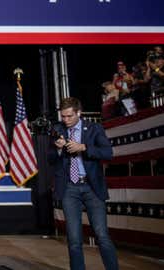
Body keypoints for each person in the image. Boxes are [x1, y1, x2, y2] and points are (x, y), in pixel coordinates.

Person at [49, 97, 118, 270]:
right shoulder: (57, 129)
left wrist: (84, 148)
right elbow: (50, 159)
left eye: (69, 116)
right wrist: (58, 149)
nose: (65, 120)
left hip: (92, 187)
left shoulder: (94, 128)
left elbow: (108, 153)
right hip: (69, 189)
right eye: (63, 116)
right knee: (73, 240)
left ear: (79, 113)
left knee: (102, 236)